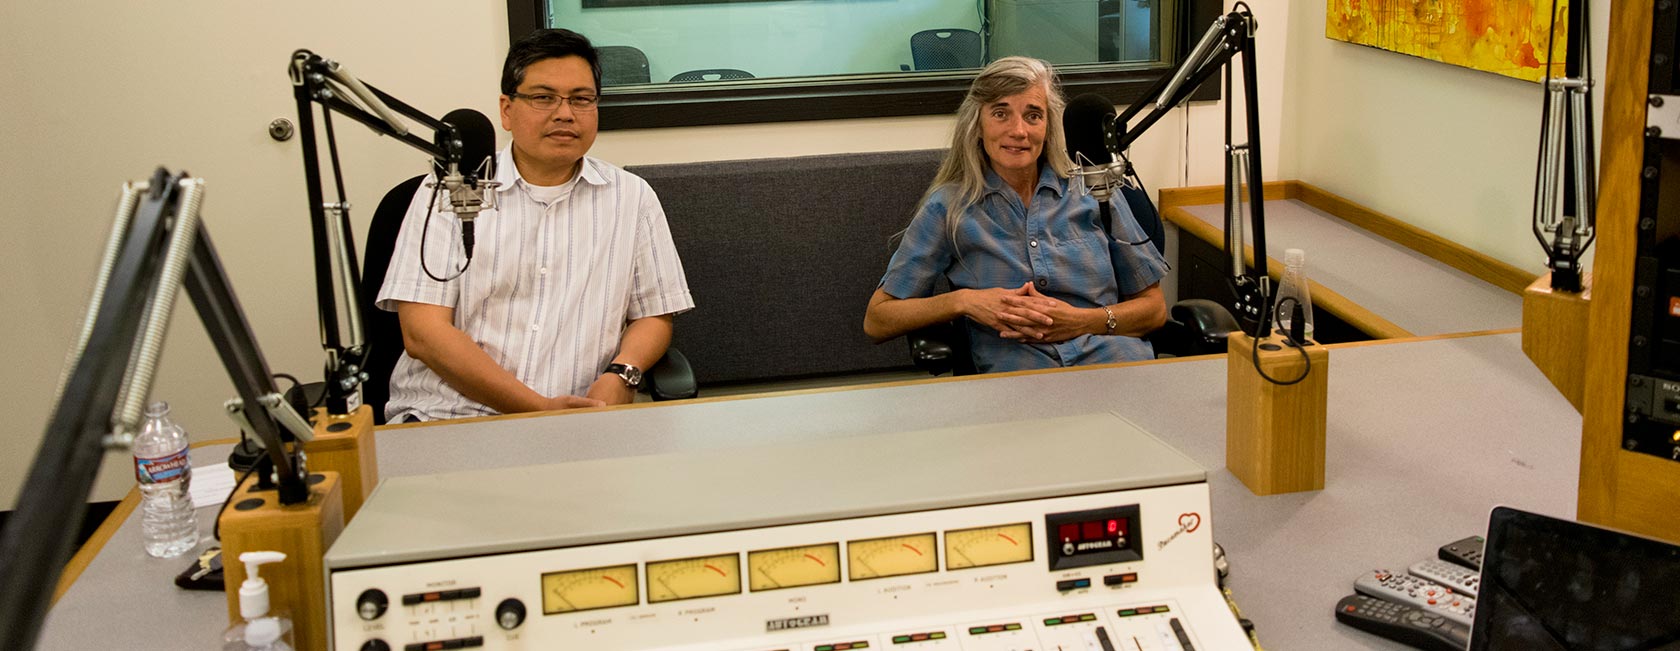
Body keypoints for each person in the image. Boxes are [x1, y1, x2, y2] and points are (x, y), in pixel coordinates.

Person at [378, 29, 693, 423]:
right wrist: (537, 409)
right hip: (448, 417)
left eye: (581, 99)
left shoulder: (632, 196)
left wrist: (622, 374)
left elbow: (655, 314)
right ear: (507, 110)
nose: (565, 113)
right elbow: (423, 334)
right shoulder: (450, 189)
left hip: (581, 421)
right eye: (544, 98)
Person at [863, 56, 1167, 373]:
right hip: (1018, 378)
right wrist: (964, 302)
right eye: (1000, 114)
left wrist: (1081, 321)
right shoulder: (949, 207)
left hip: (1113, 365)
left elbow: (1154, 309)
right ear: (977, 125)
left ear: (1049, 127)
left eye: (1033, 115)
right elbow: (878, 319)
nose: (1018, 130)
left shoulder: (1093, 191)